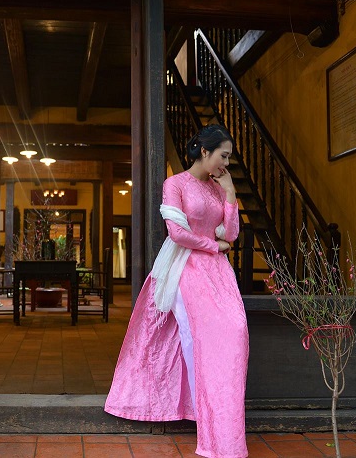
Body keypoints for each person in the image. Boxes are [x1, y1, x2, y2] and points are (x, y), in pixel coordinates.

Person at [104, 124, 249, 458]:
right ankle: (208, 425)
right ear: (204, 151)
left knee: (236, 331)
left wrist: (230, 193)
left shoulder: (217, 187)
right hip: (186, 266)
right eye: (224, 155)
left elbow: (231, 234)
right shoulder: (176, 184)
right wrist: (213, 246)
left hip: (217, 273)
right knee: (202, 338)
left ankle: (220, 423)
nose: (226, 163)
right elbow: (178, 233)